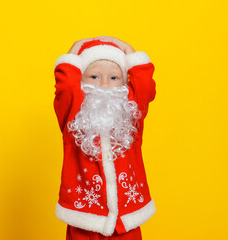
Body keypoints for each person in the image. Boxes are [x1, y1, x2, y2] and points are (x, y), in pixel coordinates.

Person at [53, 36, 156, 240]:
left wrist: (130, 51)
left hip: (127, 218)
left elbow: (145, 86)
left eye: (113, 78)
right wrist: (73, 55)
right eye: (94, 77)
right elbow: (64, 88)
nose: (104, 84)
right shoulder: (72, 115)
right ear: (79, 79)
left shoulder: (131, 115)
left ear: (124, 82)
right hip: (84, 217)